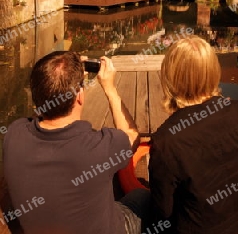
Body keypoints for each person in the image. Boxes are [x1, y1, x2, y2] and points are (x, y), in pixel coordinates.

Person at [3, 52, 149, 234]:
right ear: (79, 96)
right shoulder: (98, 148)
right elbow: (132, 136)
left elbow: (38, 116)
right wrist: (110, 88)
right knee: (142, 197)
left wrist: (59, 77)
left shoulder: (13, 135)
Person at [148, 36, 238, 234]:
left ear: (170, 77)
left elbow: (162, 215)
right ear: (212, 72)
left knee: (137, 201)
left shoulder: (166, 141)